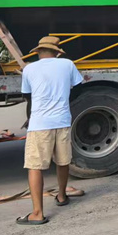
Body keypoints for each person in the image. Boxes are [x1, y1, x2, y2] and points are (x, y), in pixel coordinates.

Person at [16, 36, 83, 225]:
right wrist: (62, 99)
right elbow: (79, 88)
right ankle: (61, 196)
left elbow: (27, 95)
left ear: (38, 52)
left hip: (40, 123)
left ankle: (37, 213)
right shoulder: (67, 64)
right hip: (62, 120)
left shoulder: (29, 69)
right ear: (57, 52)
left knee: (35, 166)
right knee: (63, 161)